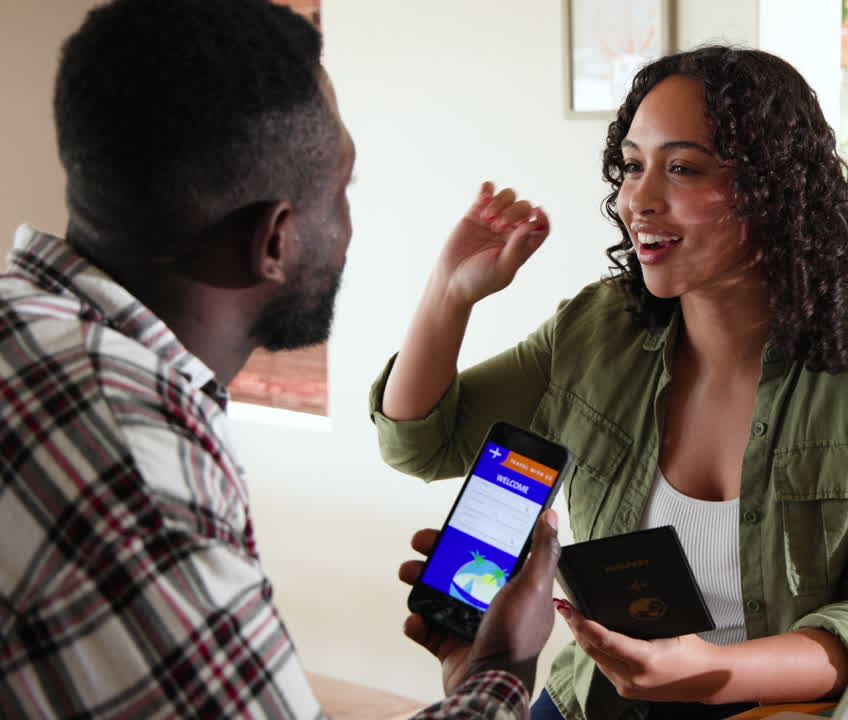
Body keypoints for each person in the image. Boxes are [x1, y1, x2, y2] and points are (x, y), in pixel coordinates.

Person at [0, 0, 560, 717]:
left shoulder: (31, 327)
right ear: (276, 240)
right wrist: (503, 664)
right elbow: (417, 435)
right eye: (341, 191)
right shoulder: (137, 471)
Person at [371, 45, 848, 720]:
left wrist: (711, 671)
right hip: (597, 699)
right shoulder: (599, 326)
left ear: (772, 188)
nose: (638, 201)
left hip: (776, 709)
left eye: (682, 169)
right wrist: (450, 292)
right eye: (633, 167)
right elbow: (421, 446)